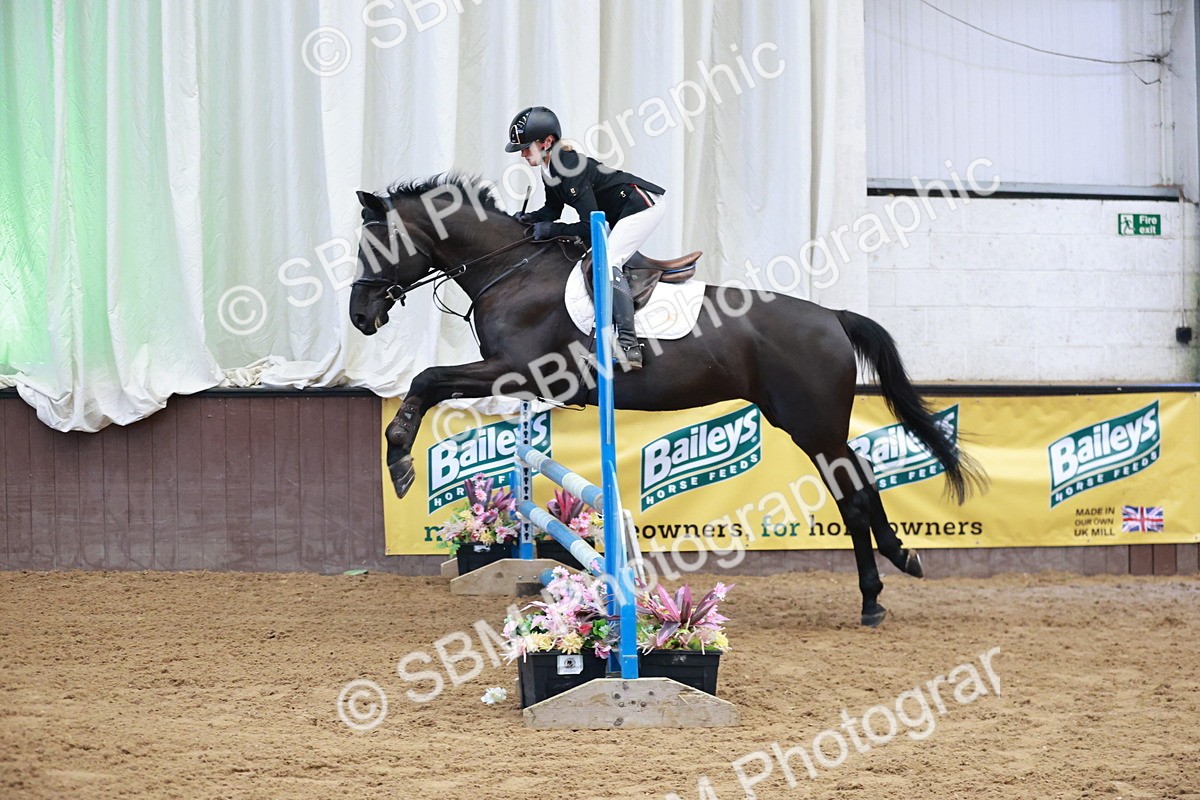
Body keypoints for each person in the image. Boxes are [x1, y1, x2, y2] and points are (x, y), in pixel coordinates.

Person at [505, 105, 666, 371]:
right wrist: (529, 218)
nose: (522, 154)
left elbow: (591, 227)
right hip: (619, 212)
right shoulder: (548, 167)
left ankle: (629, 346)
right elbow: (552, 210)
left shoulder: (568, 167)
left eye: (526, 147)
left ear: (547, 141)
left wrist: (552, 230)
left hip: (642, 205)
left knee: (609, 262)